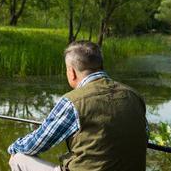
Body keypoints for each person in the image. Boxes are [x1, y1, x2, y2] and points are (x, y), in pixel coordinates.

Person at [8, 41, 147, 171]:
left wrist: (13, 147)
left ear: (72, 72)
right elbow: (144, 134)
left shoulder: (72, 102)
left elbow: (37, 143)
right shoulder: (134, 95)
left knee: (18, 157)